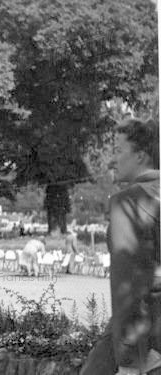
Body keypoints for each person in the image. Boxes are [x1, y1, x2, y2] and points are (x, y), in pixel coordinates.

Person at [80, 118, 161, 375]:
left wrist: (129, 359)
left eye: (118, 150)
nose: (112, 160)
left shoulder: (130, 203)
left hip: (145, 339)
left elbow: (129, 284)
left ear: (140, 156)